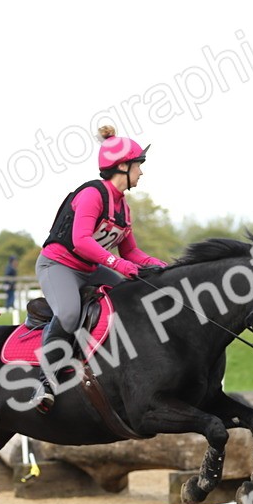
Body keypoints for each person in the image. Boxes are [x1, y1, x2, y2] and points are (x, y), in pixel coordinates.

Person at [30, 125, 166, 412]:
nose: (141, 172)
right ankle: (44, 382)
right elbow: (81, 242)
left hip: (91, 269)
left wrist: (163, 268)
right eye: (138, 166)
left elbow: (131, 251)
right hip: (58, 265)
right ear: (123, 166)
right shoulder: (94, 194)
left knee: (133, 300)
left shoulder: (123, 207)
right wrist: (122, 266)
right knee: (68, 313)